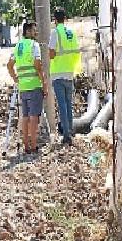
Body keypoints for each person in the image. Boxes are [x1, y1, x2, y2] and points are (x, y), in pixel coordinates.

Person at [7, 21, 48, 154]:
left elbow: (9, 65)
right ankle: (34, 145)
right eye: (34, 30)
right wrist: (44, 83)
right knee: (34, 117)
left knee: (25, 116)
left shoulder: (18, 46)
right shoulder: (33, 45)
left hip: (23, 86)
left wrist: (16, 79)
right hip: (34, 85)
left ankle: (26, 145)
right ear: (28, 31)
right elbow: (38, 64)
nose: (36, 32)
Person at [49, 7, 82, 145]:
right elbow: (76, 52)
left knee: (62, 105)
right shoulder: (71, 33)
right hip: (69, 72)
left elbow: (51, 53)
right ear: (65, 18)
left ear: (55, 20)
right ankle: (70, 131)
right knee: (69, 104)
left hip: (58, 74)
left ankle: (66, 135)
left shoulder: (55, 32)